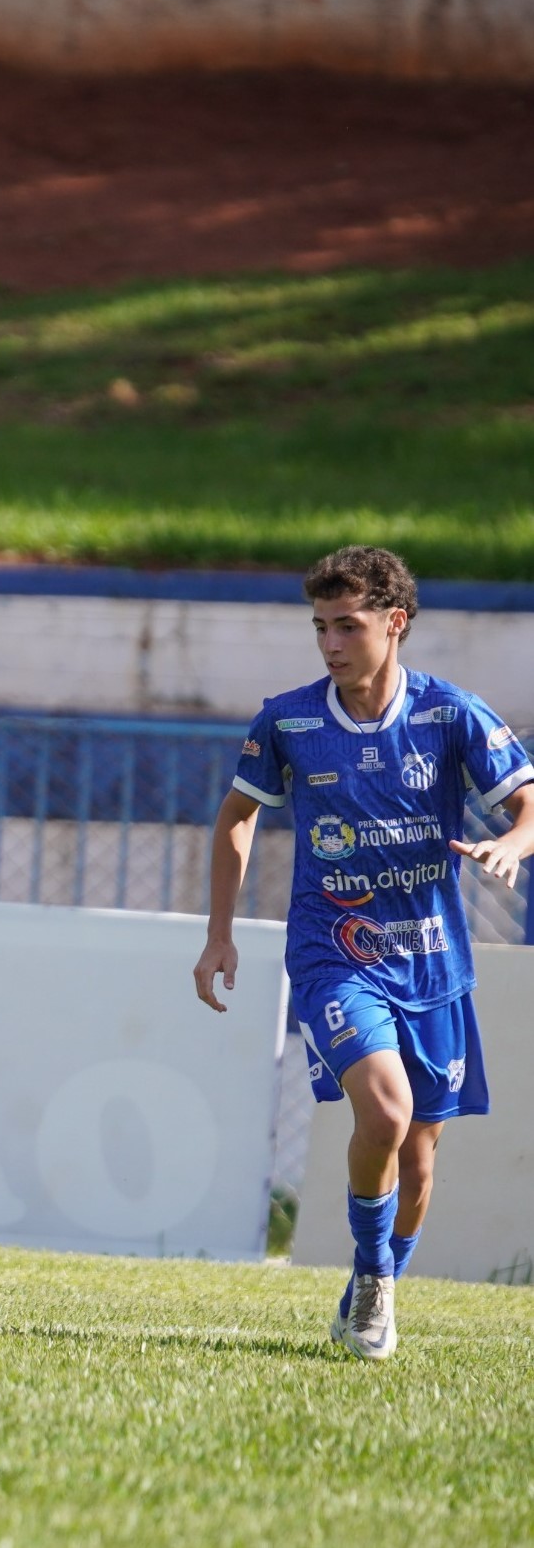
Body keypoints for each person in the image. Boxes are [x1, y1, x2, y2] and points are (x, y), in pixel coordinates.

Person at [193, 545, 533, 1361]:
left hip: (433, 961)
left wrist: (515, 841)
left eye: (348, 625)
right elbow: (238, 816)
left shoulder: (449, 713)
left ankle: (371, 1286)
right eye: (320, 626)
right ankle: (376, 1284)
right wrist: (219, 932)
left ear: (394, 622)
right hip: (333, 952)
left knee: (419, 1159)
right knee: (383, 1110)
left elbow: (528, 801)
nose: (331, 644)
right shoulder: (290, 721)